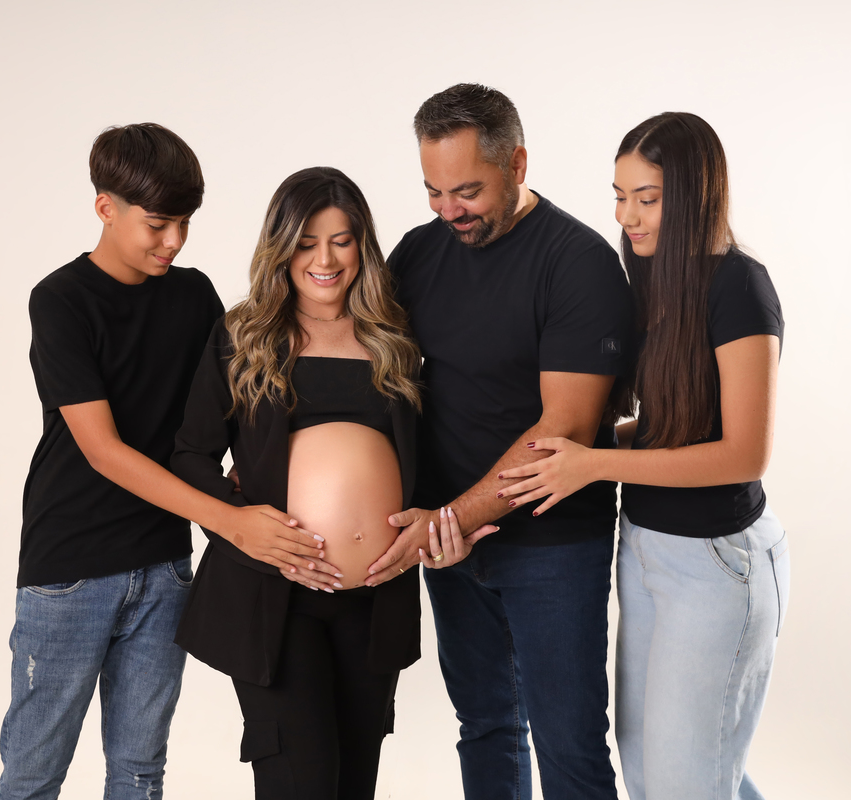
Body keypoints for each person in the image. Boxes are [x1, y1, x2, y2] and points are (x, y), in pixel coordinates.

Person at [0, 123, 327, 800]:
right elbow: (103, 451)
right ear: (105, 207)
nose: (173, 241)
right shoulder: (60, 301)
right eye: (157, 224)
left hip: (165, 565)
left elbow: (231, 408)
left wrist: (257, 472)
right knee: (33, 776)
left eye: (184, 224)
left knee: (141, 772)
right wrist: (231, 521)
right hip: (70, 569)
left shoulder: (194, 295)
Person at [170, 166, 489, 800]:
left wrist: (439, 525)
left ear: (362, 247)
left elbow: (425, 461)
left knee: (352, 785)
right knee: (302, 783)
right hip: (272, 600)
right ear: (281, 247)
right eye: (307, 243)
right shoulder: (243, 336)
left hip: (375, 602)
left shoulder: (395, 340)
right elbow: (191, 456)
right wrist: (240, 526)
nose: (325, 260)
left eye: (341, 241)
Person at [498, 112, 790, 800]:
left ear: (694, 194)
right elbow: (668, 427)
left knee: (686, 780)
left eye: (647, 199)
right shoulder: (657, 281)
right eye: (620, 196)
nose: (626, 216)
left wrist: (595, 463)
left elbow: (744, 454)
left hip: (718, 564)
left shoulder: (740, 287)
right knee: (658, 770)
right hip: (647, 547)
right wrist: (582, 448)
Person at [370, 84, 635, 800]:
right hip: (450, 546)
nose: (448, 210)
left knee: (568, 744)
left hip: (552, 544)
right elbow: (363, 371)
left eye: (467, 191)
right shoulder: (418, 253)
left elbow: (563, 430)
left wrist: (451, 518)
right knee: (485, 726)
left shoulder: (577, 263)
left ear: (517, 163)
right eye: (433, 191)